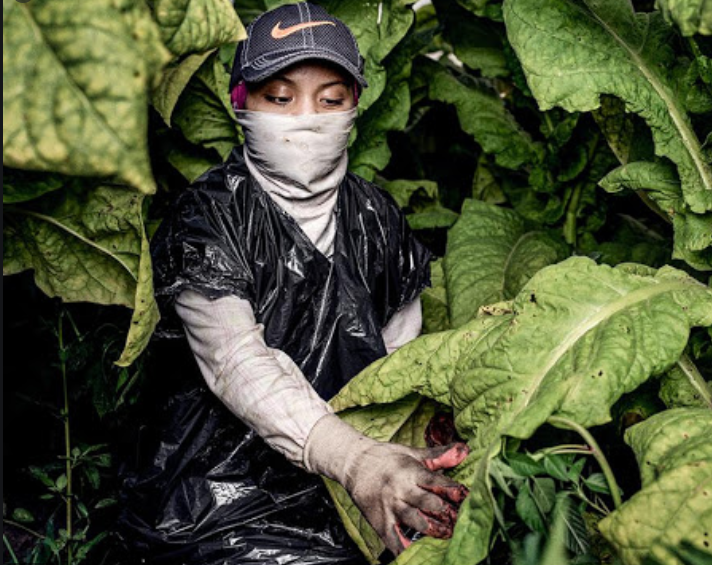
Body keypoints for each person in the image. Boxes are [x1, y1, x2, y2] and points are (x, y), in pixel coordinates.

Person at [121, 3, 469, 564]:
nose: (306, 119)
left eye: (330, 100)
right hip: (218, 499)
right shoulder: (208, 217)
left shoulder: (378, 217)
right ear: (241, 103)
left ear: (355, 105)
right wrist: (356, 461)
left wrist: (411, 452)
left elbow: (401, 364)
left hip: (350, 487)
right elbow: (237, 362)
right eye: (280, 99)